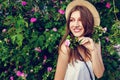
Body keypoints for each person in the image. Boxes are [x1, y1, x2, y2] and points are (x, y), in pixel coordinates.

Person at [54, 0, 105, 80]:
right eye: (72, 20)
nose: (76, 25)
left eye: (80, 20)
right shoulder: (67, 47)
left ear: (88, 22)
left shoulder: (95, 42)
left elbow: (99, 74)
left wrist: (93, 50)